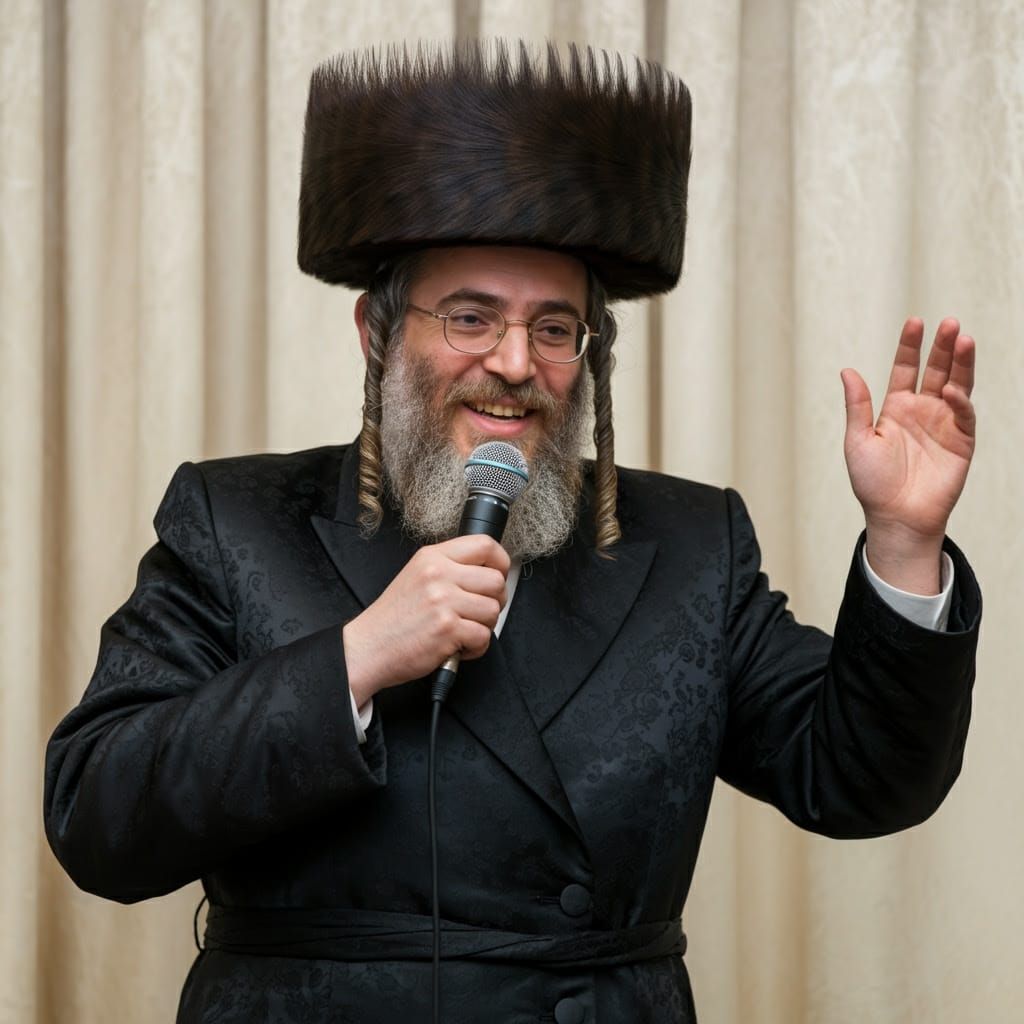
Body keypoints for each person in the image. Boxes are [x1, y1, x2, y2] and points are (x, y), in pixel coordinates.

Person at [44, 42, 980, 1023]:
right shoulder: (236, 520)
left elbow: (862, 779)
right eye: (469, 317)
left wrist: (903, 543)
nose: (512, 362)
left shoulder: (694, 544)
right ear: (376, 330)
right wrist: (355, 662)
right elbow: (98, 818)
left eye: (551, 327)